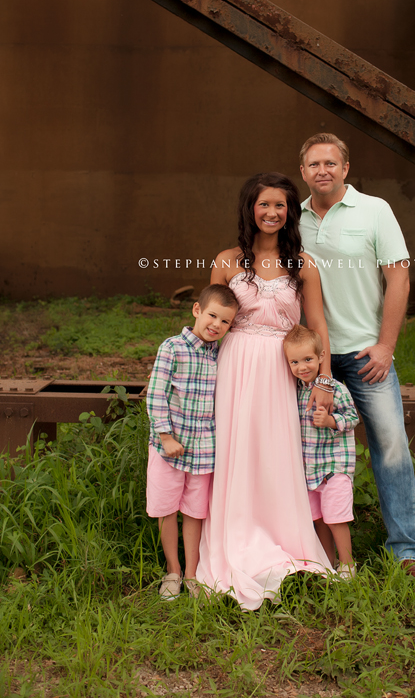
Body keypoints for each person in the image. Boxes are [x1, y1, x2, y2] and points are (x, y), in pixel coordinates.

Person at [196, 172, 333, 609]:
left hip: (281, 369)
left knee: (277, 454)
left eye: (281, 205)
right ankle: (234, 543)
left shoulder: (303, 264)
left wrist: (324, 381)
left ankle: (285, 540)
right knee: (237, 452)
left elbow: (317, 327)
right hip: (234, 369)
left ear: (291, 212)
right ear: (250, 209)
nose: (272, 213)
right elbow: (208, 326)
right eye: (264, 205)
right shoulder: (227, 261)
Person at [298, 133, 415, 579]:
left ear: (346, 168)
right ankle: (313, 550)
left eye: (331, 163)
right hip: (313, 361)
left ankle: (407, 552)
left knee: (389, 446)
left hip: (366, 353)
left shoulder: (375, 210)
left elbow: (400, 280)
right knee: (306, 447)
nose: (323, 171)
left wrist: (386, 346)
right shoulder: (294, 219)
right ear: (303, 172)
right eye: (314, 164)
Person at [146, 283, 239, 600]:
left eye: (225, 322)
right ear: (197, 310)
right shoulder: (172, 348)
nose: (217, 325)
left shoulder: (221, 356)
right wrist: (165, 435)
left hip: (203, 453)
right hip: (169, 450)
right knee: (167, 509)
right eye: (213, 316)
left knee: (196, 512)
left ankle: (192, 574)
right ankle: (172, 570)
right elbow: (157, 395)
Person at [283, 324, 359, 579]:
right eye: (295, 362)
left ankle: (348, 565)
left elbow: (352, 417)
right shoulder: (293, 392)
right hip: (309, 469)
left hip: (333, 466)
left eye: (307, 359)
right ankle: (327, 562)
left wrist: (330, 421)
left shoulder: (334, 389)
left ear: (321, 358)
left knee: (336, 517)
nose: (302, 367)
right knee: (318, 519)